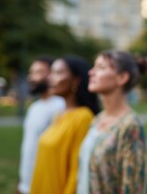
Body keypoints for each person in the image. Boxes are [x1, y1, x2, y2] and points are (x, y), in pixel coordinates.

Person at [77, 50, 147, 194]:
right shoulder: (97, 119)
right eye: (94, 67)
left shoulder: (130, 126)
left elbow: (132, 187)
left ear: (121, 78)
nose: (91, 72)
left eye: (101, 67)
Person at [30, 56, 99, 194]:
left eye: (58, 73)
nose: (50, 78)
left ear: (76, 80)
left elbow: (76, 172)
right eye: (51, 72)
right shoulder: (60, 114)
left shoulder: (83, 117)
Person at [17, 56, 65, 194]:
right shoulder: (34, 107)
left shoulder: (60, 106)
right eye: (31, 72)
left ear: (52, 75)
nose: (31, 77)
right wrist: (21, 182)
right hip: (26, 184)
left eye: (37, 72)